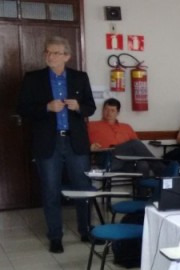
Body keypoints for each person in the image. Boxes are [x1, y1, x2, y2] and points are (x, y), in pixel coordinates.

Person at [17, 36, 96, 253]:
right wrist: (45, 108)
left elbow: (90, 107)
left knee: (83, 188)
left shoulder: (80, 78)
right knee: (50, 190)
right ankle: (55, 236)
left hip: (75, 141)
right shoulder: (33, 78)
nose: (50, 56)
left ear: (67, 56)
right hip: (48, 142)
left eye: (55, 52)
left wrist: (79, 106)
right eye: (47, 52)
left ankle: (86, 230)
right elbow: (22, 108)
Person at [88, 98, 163, 176]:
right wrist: (90, 146)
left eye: (112, 110)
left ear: (118, 112)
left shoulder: (126, 127)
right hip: (107, 160)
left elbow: (139, 150)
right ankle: (163, 171)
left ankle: (145, 188)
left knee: (143, 164)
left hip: (125, 162)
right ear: (102, 110)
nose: (108, 113)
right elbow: (80, 143)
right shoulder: (92, 125)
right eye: (106, 109)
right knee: (135, 143)